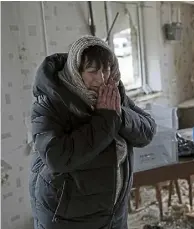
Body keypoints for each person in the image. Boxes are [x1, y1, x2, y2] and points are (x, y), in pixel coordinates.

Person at [29, 35, 156, 229]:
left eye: (106, 69)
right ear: (75, 71)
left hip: (113, 212)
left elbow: (147, 131)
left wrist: (119, 116)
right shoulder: (51, 102)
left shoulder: (112, 93)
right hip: (69, 217)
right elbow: (57, 157)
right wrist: (105, 119)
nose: (102, 78)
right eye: (93, 71)